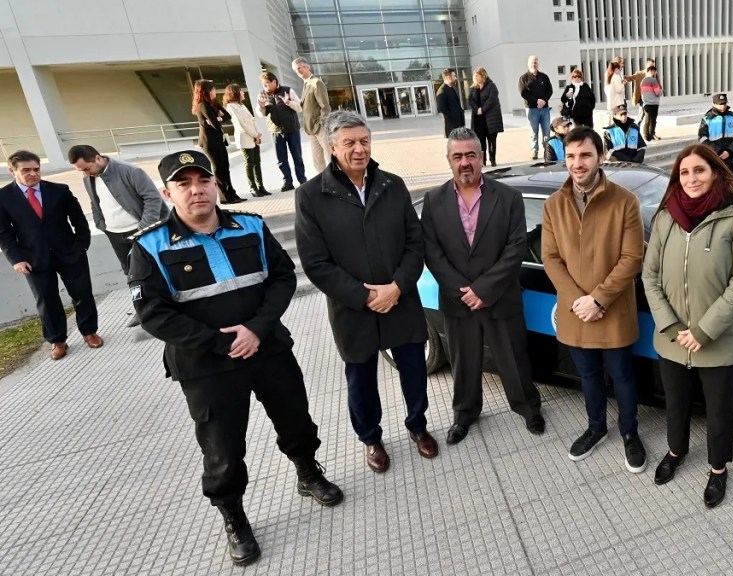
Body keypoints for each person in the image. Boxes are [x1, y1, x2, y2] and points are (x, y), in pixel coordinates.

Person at [129, 150, 343, 567]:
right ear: (167, 192)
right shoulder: (149, 245)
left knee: (295, 418)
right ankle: (234, 516)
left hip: (268, 349)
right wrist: (220, 342)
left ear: (215, 184)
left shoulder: (250, 225)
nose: (197, 190)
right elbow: (152, 313)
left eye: (203, 180)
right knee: (222, 447)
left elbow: (282, 278)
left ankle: (307, 472)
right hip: (207, 365)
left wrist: (257, 329)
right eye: (184, 184)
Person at [294, 111, 438, 474]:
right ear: (331, 146)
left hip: (399, 298)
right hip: (352, 308)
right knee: (360, 378)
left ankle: (418, 426)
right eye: (349, 143)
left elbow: (414, 243)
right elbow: (316, 263)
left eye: (364, 141)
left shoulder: (392, 185)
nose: (359, 149)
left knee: (413, 368)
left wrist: (397, 287)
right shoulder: (311, 196)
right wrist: (363, 296)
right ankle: (371, 438)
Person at [641, 144, 733, 507]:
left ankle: (718, 469)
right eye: (684, 173)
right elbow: (650, 277)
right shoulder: (666, 217)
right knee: (675, 403)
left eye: (699, 171)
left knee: (719, 410)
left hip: (721, 341)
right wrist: (670, 325)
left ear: (715, 173)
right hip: (673, 338)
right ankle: (676, 452)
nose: (691, 179)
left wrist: (703, 331)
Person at [420, 127, 545, 445]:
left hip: (500, 297)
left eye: (471, 155)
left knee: (514, 359)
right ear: (449, 160)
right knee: (463, 361)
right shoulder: (433, 202)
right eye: (458, 156)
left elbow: (516, 248)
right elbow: (432, 253)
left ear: (481, 157)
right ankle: (464, 414)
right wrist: (463, 291)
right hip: (457, 299)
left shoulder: (508, 198)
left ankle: (528, 408)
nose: (465, 162)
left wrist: (484, 290)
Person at [541, 126, 647, 474]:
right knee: (588, 376)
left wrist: (599, 299)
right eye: (570, 156)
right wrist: (577, 300)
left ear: (601, 157)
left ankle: (629, 433)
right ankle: (596, 427)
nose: (577, 163)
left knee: (622, 375)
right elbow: (551, 258)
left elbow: (632, 258)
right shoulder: (554, 205)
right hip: (575, 312)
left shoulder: (625, 200)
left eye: (585, 155)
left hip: (613, 309)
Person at [0, 150, 102, 361]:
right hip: (33, 259)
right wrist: (16, 259)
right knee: (46, 300)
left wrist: (82, 244)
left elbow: (79, 219)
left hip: (69, 253)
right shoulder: (3, 197)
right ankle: (57, 340)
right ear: (12, 171)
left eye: (36, 169)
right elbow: (4, 233)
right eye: (26, 170)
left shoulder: (59, 190)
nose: (33, 174)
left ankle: (89, 332)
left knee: (82, 293)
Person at [67, 145, 170, 326]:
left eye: (86, 168)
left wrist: (144, 229)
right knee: (131, 274)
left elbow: (152, 199)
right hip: (115, 234)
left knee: (157, 268)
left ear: (98, 158)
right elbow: (95, 202)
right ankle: (142, 310)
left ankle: (168, 307)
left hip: (142, 231)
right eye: (81, 170)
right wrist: (102, 224)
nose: (85, 173)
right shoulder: (88, 178)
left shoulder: (131, 171)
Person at [192, 79, 244, 204]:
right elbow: (214, 124)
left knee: (225, 167)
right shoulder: (202, 105)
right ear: (206, 91)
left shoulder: (213, 103)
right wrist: (217, 119)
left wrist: (217, 118)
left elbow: (227, 115)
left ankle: (232, 194)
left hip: (219, 140)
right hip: (209, 142)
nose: (215, 91)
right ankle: (224, 197)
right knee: (218, 169)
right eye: (212, 89)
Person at [257, 71, 306, 192]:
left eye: (267, 83)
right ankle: (287, 182)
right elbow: (261, 114)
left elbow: (300, 107)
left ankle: (302, 181)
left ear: (274, 81)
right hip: (275, 131)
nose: (265, 86)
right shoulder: (262, 95)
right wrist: (261, 107)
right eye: (264, 84)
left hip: (292, 129)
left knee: (297, 157)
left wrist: (288, 102)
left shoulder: (288, 90)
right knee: (281, 159)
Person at [222, 84, 271, 198]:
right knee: (249, 163)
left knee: (257, 163)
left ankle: (261, 186)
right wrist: (255, 135)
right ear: (235, 93)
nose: (243, 93)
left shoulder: (242, 105)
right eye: (241, 91)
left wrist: (258, 134)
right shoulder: (231, 106)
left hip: (254, 138)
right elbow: (241, 124)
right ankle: (253, 187)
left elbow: (252, 120)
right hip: (245, 138)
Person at [292, 57, 331, 174]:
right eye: (295, 70)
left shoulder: (316, 83)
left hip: (320, 128)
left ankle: (337, 181)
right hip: (311, 129)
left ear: (307, 66)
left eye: (299, 68)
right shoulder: (306, 84)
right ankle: (324, 182)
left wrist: (320, 124)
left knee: (330, 156)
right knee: (317, 159)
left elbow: (325, 107)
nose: (297, 71)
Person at [518, 55, 554, 161]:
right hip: (532, 109)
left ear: (538, 64)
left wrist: (543, 101)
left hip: (545, 109)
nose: (534, 64)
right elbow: (523, 93)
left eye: (535, 62)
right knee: (534, 132)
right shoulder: (523, 78)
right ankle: (534, 151)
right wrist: (536, 101)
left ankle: (547, 151)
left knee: (546, 131)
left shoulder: (544, 77)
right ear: (528, 64)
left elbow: (550, 90)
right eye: (532, 63)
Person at [698, 93, 733, 174]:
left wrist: (729, 151)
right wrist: (718, 151)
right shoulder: (707, 119)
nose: (723, 106)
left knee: (730, 184)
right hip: (714, 159)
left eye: (724, 103)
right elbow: (703, 138)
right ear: (714, 104)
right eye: (720, 104)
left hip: (730, 159)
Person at [469, 67, 503, 167]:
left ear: (483, 75)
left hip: (491, 118)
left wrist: (482, 109)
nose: (475, 77)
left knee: (492, 140)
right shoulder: (473, 88)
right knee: (480, 141)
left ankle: (493, 160)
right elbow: (470, 100)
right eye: (474, 76)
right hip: (479, 119)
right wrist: (476, 109)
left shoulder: (491, 86)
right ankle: (483, 161)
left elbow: (492, 100)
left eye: (477, 75)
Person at [436, 68, 465, 137]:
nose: (456, 78)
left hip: (458, 125)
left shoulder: (452, 88)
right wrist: (452, 118)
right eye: (454, 76)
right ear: (448, 77)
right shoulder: (442, 91)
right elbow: (441, 107)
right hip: (452, 126)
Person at [640, 65, 662, 142]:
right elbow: (658, 92)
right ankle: (651, 134)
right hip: (654, 103)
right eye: (655, 71)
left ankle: (646, 135)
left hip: (646, 103)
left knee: (647, 120)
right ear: (652, 71)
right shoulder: (653, 80)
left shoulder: (643, 81)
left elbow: (642, 93)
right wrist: (661, 90)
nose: (655, 73)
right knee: (653, 120)